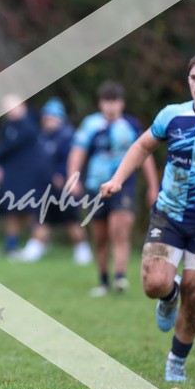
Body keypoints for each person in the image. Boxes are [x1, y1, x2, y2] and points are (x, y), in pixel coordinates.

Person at [100, 51, 195, 382]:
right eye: (193, 78)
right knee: (154, 284)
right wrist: (118, 179)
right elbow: (142, 146)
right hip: (169, 215)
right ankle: (168, 294)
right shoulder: (172, 116)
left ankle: (177, 359)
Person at [68, 80, 159, 297]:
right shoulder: (91, 125)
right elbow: (77, 151)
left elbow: (145, 155)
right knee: (100, 236)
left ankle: (120, 276)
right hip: (95, 186)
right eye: (106, 101)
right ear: (100, 103)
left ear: (122, 103)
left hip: (123, 186)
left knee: (119, 230)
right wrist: (73, 178)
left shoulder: (131, 125)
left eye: (114, 101)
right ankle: (103, 280)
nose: (110, 106)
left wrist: (153, 186)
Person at [18, 97, 92, 264]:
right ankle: (34, 249)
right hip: (45, 186)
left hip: (65, 186)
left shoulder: (68, 136)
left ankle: (83, 251)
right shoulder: (43, 137)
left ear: (60, 118)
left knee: (72, 220)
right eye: (46, 117)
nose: (48, 120)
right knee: (42, 219)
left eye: (52, 117)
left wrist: (63, 175)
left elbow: (72, 159)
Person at [0, 94, 42, 257]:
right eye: (7, 108)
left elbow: (6, 148)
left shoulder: (29, 125)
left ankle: (37, 245)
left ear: (23, 105)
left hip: (27, 175)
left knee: (28, 209)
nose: (10, 111)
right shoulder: (8, 126)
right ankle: (11, 246)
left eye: (13, 107)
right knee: (11, 209)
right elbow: (1, 149)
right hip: (11, 175)